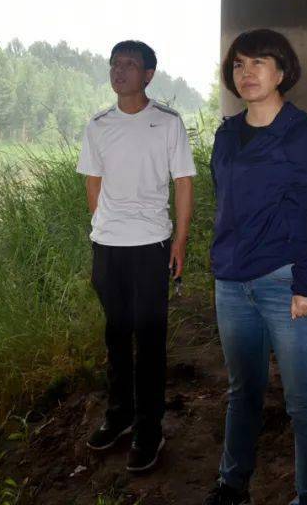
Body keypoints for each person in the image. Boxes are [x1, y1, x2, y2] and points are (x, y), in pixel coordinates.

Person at [205, 29, 307, 505]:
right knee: (243, 391)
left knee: (305, 404)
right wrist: (222, 266)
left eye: (259, 62)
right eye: (239, 64)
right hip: (233, 284)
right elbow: (226, 204)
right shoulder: (227, 133)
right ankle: (232, 483)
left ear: (282, 72)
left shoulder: (304, 135)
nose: (247, 73)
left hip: (286, 284)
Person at [76, 39, 196, 473]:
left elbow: (183, 182)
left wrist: (180, 241)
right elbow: (93, 183)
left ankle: (150, 428)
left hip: (151, 245)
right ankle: (119, 416)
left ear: (148, 75)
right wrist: (106, 228)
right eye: (114, 63)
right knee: (115, 334)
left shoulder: (167, 123)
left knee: (149, 341)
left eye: (130, 64)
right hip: (108, 247)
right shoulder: (98, 125)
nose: (119, 70)